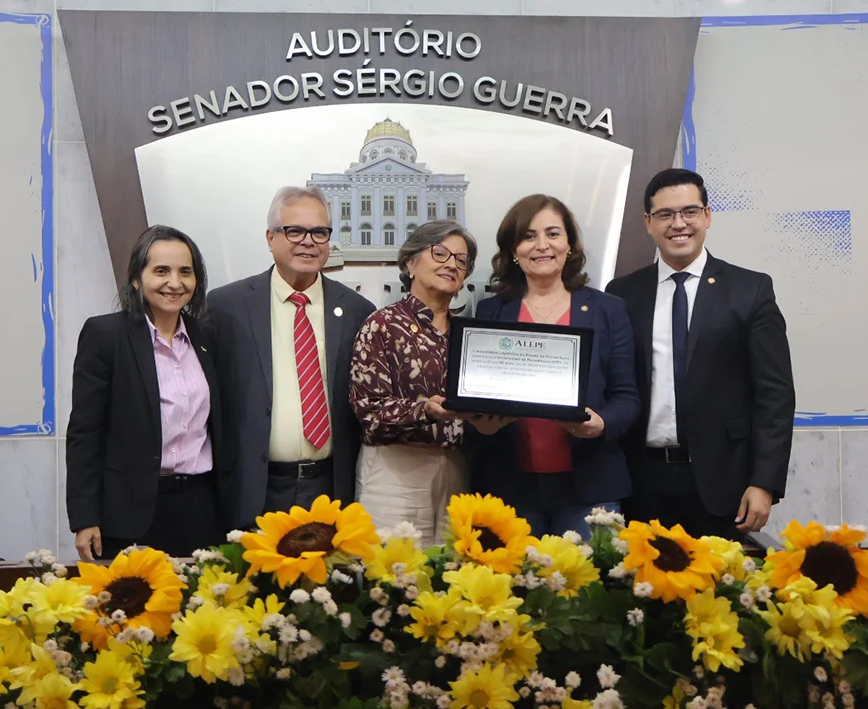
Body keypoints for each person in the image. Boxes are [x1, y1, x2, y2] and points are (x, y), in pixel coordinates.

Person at [605, 168, 795, 540]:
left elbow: (775, 395)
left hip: (725, 485)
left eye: (689, 212)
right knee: (644, 596)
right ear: (648, 222)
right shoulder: (623, 293)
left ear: (707, 216)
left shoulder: (750, 290)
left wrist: (764, 482)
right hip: (642, 482)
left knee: (718, 597)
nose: (679, 224)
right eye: (665, 214)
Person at [468, 194, 640, 539]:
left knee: (586, 592)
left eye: (553, 234)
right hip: (511, 489)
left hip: (591, 488)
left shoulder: (609, 310)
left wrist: (601, 423)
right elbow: (474, 400)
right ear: (513, 250)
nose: (542, 245)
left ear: (570, 245)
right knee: (516, 592)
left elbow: (627, 397)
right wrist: (481, 426)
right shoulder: (490, 313)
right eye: (529, 236)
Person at [207, 186, 376, 531]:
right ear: (271, 238)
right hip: (254, 487)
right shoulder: (226, 306)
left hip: (330, 487)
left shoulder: (358, 310)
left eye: (319, 232)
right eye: (295, 231)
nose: (308, 242)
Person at [66, 225, 223, 561]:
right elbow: (85, 433)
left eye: (185, 272)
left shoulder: (209, 337)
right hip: (128, 514)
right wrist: (84, 517)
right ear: (137, 278)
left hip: (201, 510)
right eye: (161, 271)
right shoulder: (106, 336)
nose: (175, 283)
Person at [349, 220, 477, 543]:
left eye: (461, 260)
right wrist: (424, 410)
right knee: (394, 580)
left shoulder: (470, 336)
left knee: (450, 580)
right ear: (410, 262)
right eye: (440, 253)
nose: (452, 264)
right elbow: (369, 411)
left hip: (457, 469)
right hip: (395, 470)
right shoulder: (382, 325)